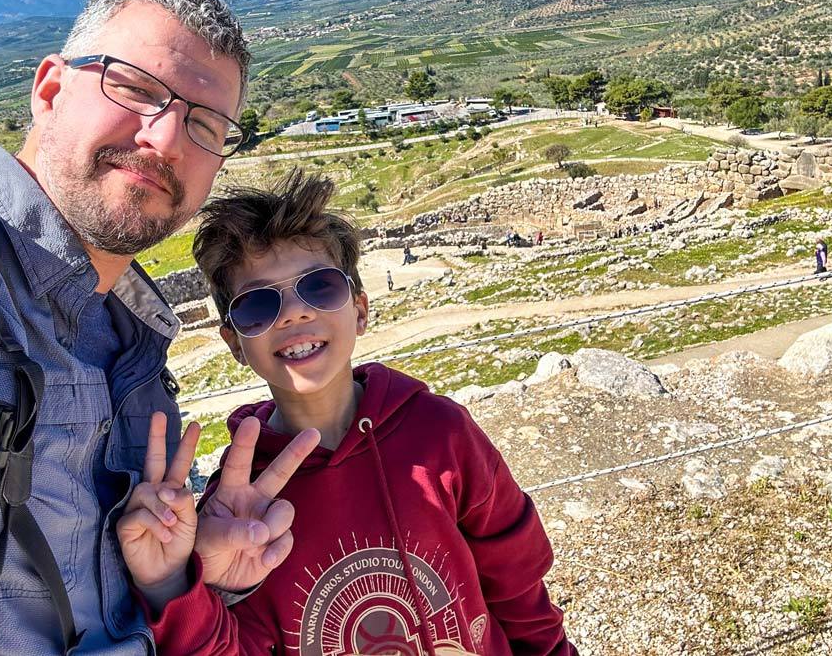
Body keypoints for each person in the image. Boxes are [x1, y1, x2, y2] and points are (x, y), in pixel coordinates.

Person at [0, 0, 296, 654]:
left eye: (204, 123)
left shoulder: (135, 350)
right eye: (138, 89)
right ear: (50, 89)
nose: (166, 137)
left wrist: (186, 579)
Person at [120, 169, 577, 655]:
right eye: (258, 305)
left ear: (360, 308)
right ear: (234, 341)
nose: (295, 314)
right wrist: (176, 586)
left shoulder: (440, 434)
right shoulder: (239, 507)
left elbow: (519, 590)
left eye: (319, 288)